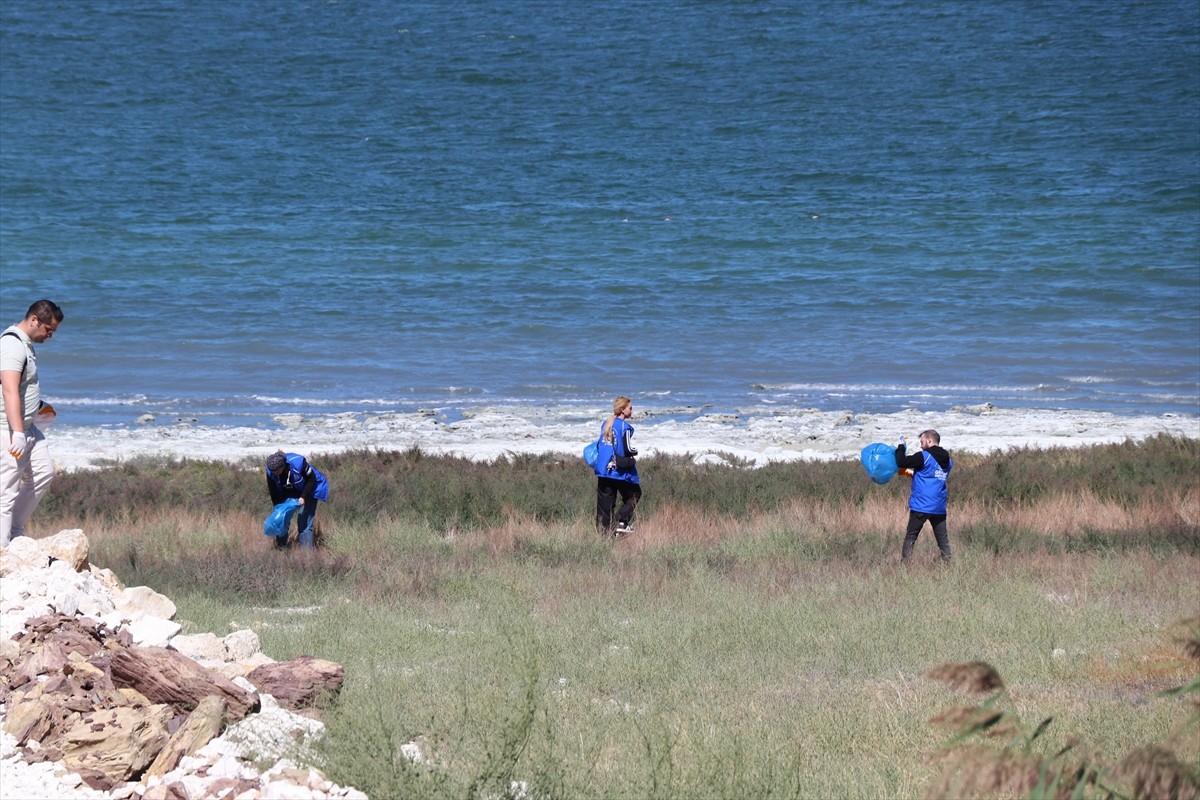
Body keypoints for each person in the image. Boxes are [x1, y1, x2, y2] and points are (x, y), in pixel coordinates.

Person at [1, 300, 64, 548]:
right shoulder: (11, 345)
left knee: (42, 473)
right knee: (5, 492)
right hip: (9, 429)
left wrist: (40, 408)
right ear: (34, 320)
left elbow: (23, 389)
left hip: (29, 426)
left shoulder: (25, 345)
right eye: (49, 330)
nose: (50, 336)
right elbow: (9, 390)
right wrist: (17, 433)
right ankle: (3, 551)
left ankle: (15, 530)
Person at [895, 429, 953, 562]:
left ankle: (905, 567)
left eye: (922, 442)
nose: (921, 446)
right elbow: (931, 475)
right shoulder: (949, 462)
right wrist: (912, 474)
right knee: (943, 540)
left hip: (921, 506)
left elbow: (901, 462)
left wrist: (901, 447)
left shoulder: (924, 456)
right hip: (939, 507)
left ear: (929, 440)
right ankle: (948, 566)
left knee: (911, 537)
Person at [593, 395, 641, 537]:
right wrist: (635, 452)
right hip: (617, 471)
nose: (632, 411)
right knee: (635, 494)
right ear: (623, 409)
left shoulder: (606, 423)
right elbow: (627, 449)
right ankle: (620, 520)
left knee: (605, 506)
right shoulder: (625, 427)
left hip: (603, 469)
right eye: (630, 408)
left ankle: (605, 536)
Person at [265, 450, 329, 549]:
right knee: (281, 519)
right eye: (272, 471)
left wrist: (303, 497)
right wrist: (277, 507)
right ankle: (281, 549)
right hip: (290, 490)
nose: (274, 473)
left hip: (310, 489)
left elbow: (312, 479)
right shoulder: (271, 471)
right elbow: (273, 489)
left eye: (276, 471)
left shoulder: (298, 463)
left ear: (283, 466)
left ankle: (306, 554)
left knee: (304, 522)